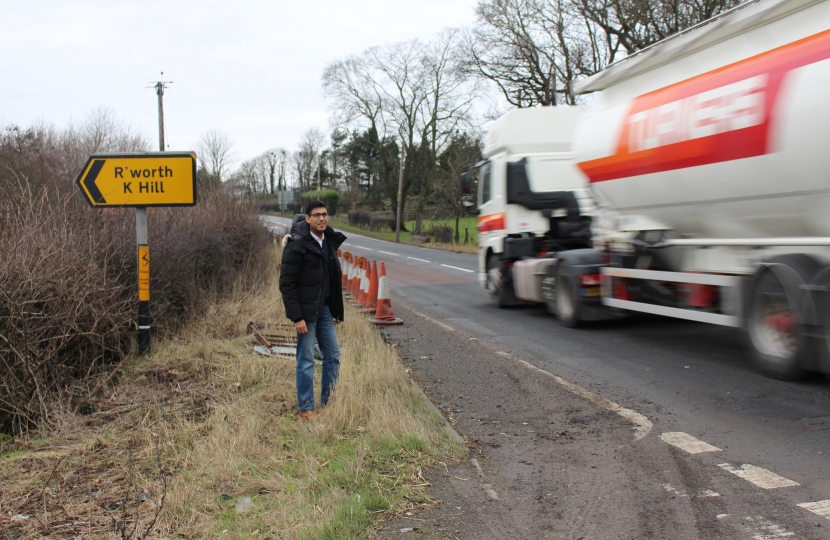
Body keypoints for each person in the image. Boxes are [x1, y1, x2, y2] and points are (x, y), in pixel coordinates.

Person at [279, 201, 346, 420]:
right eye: (317, 215)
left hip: (325, 311)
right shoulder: (296, 244)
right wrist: (297, 316)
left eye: (325, 215)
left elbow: (333, 281)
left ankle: (329, 401)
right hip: (306, 314)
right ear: (307, 218)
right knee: (306, 359)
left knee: (333, 355)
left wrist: (336, 311)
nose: (322, 219)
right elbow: (287, 283)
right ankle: (306, 408)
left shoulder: (329, 243)